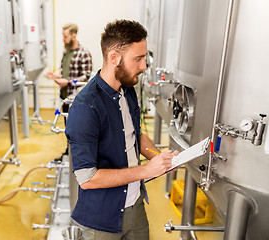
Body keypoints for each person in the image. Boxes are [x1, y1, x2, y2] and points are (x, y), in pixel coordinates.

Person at [65, 19, 179, 239]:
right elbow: (87, 178)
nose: (144, 66)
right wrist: (147, 170)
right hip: (101, 219)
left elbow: (136, 135)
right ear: (114, 58)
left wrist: (161, 160)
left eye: (145, 57)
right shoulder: (86, 107)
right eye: (138, 58)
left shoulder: (127, 90)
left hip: (135, 207)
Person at [47, 23, 93, 161]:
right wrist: (55, 74)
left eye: (65, 36)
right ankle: (69, 153)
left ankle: (77, 157)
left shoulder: (83, 53)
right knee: (68, 129)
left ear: (74, 35)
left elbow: (86, 76)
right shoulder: (66, 52)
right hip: (65, 96)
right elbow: (63, 70)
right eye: (62, 36)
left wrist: (67, 82)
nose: (63, 39)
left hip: (76, 99)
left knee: (76, 130)